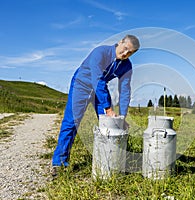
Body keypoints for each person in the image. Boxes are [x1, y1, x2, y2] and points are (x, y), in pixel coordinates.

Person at [51, 35, 140, 174]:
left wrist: (122, 117)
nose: (125, 54)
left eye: (130, 53)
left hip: (100, 89)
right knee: (72, 122)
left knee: (111, 124)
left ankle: (109, 161)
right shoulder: (100, 52)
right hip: (82, 85)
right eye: (125, 49)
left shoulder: (127, 65)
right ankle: (59, 163)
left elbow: (125, 91)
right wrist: (108, 108)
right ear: (120, 42)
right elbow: (97, 80)